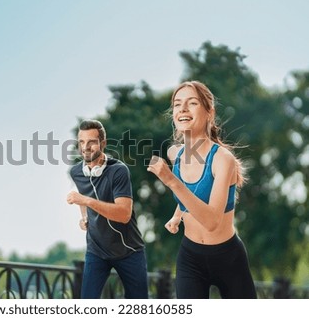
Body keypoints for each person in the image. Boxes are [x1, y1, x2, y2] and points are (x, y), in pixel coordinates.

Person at [147, 81, 257, 299]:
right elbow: (192, 192)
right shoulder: (174, 154)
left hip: (229, 258)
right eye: (178, 104)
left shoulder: (222, 159)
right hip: (191, 257)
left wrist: (170, 180)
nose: (183, 109)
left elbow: (211, 221)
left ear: (209, 112)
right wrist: (177, 216)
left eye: (192, 103)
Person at [67, 119, 148, 299]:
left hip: (128, 250)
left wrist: (86, 201)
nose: (85, 147)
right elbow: (83, 195)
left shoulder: (118, 171)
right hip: (96, 250)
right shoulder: (76, 172)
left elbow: (124, 214)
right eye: (81, 142)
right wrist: (84, 217)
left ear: (103, 143)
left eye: (92, 142)